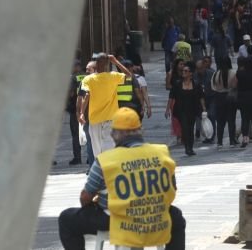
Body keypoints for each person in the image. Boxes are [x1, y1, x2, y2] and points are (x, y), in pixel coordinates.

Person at [57, 108, 186, 250]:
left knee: (66, 219)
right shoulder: (162, 153)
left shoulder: (106, 160)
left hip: (118, 219)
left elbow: (86, 197)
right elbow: (171, 189)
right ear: (140, 130)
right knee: (177, 217)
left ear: (115, 135)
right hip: (155, 216)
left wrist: (95, 203)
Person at [79, 54, 133, 158]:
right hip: (110, 119)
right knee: (109, 150)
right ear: (107, 64)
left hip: (95, 120)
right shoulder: (113, 76)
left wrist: (81, 113)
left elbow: (86, 96)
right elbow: (129, 75)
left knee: (97, 153)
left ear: (96, 63)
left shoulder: (88, 79)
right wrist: (116, 61)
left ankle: (101, 171)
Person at [165, 63, 204, 156]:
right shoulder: (178, 84)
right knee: (185, 128)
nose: (184, 72)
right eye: (183, 71)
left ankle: (190, 147)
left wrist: (204, 108)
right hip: (181, 109)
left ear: (191, 73)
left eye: (186, 71)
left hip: (193, 109)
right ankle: (187, 148)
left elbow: (201, 97)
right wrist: (167, 109)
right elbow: (171, 97)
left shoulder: (196, 84)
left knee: (191, 129)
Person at [209, 55, 238, 148]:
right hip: (230, 97)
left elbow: (213, 87)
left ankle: (220, 142)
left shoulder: (216, 74)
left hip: (218, 98)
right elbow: (235, 86)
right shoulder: (233, 73)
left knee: (220, 121)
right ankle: (232, 141)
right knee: (231, 120)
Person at [235, 56, 252, 147]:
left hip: (243, 98)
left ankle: (245, 139)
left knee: (245, 118)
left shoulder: (239, 73)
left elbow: (235, 84)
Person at [66, 61, 84, 165]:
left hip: (75, 109)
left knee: (76, 134)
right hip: (87, 108)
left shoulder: (73, 77)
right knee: (90, 133)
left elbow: (71, 92)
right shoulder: (87, 75)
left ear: (76, 67)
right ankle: (91, 157)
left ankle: (77, 158)